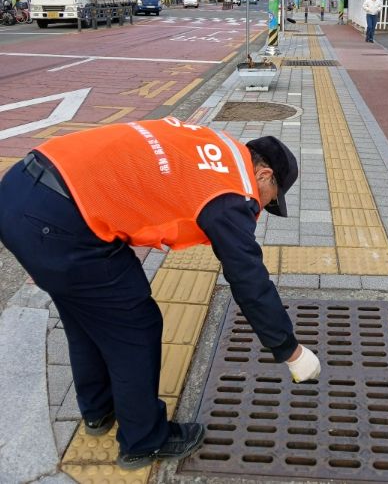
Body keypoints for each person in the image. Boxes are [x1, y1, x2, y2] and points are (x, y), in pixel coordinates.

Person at [0, 118, 321, 471]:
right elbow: (249, 280)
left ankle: (98, 410)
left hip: (22, 189)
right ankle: (144, 441)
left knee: (85, 314)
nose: (262, 208)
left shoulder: (221, 148)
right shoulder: (233, 193)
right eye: (270, 200)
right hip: (59, 220)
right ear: (263, 174)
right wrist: (289, 350)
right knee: (135, 325)